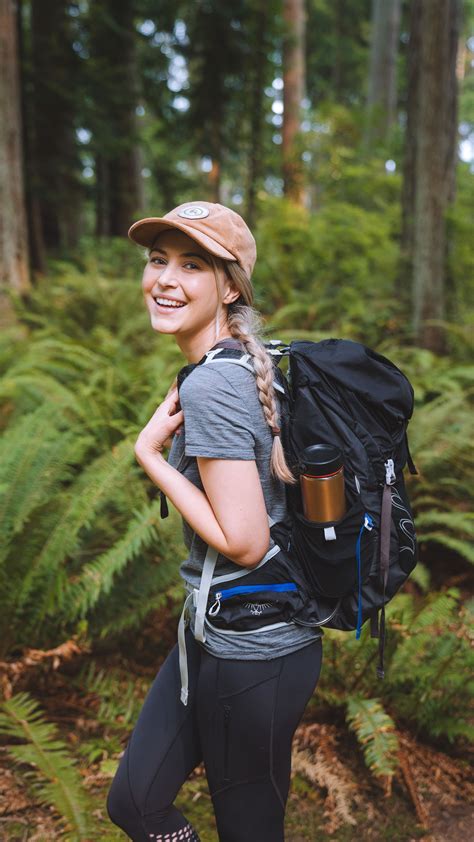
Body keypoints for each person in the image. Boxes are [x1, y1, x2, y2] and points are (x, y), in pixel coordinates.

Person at [106, 201, 323, 842]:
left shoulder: (215, 386)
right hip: (212, 633)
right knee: (136, 803)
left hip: (258, 653)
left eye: (192, 265)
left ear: (229, 286)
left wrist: (150, 456)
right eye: (157, 261)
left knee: (250, 829)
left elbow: (246, 541)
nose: (166, 280)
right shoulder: (231, 367)